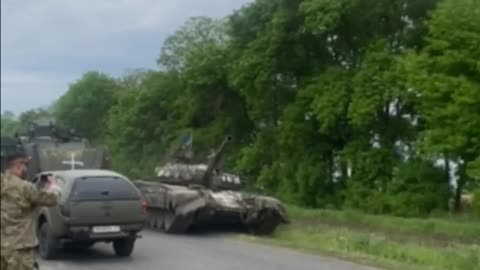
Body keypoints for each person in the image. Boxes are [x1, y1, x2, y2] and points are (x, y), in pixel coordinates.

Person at [1, 152, 61, 270]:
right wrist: (53, 186)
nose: (26, 169)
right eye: (25, 165)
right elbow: (52, 200)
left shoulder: (2, 181)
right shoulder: (25, 187)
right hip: (20, 250)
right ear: (18, 166)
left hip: (3, 247)